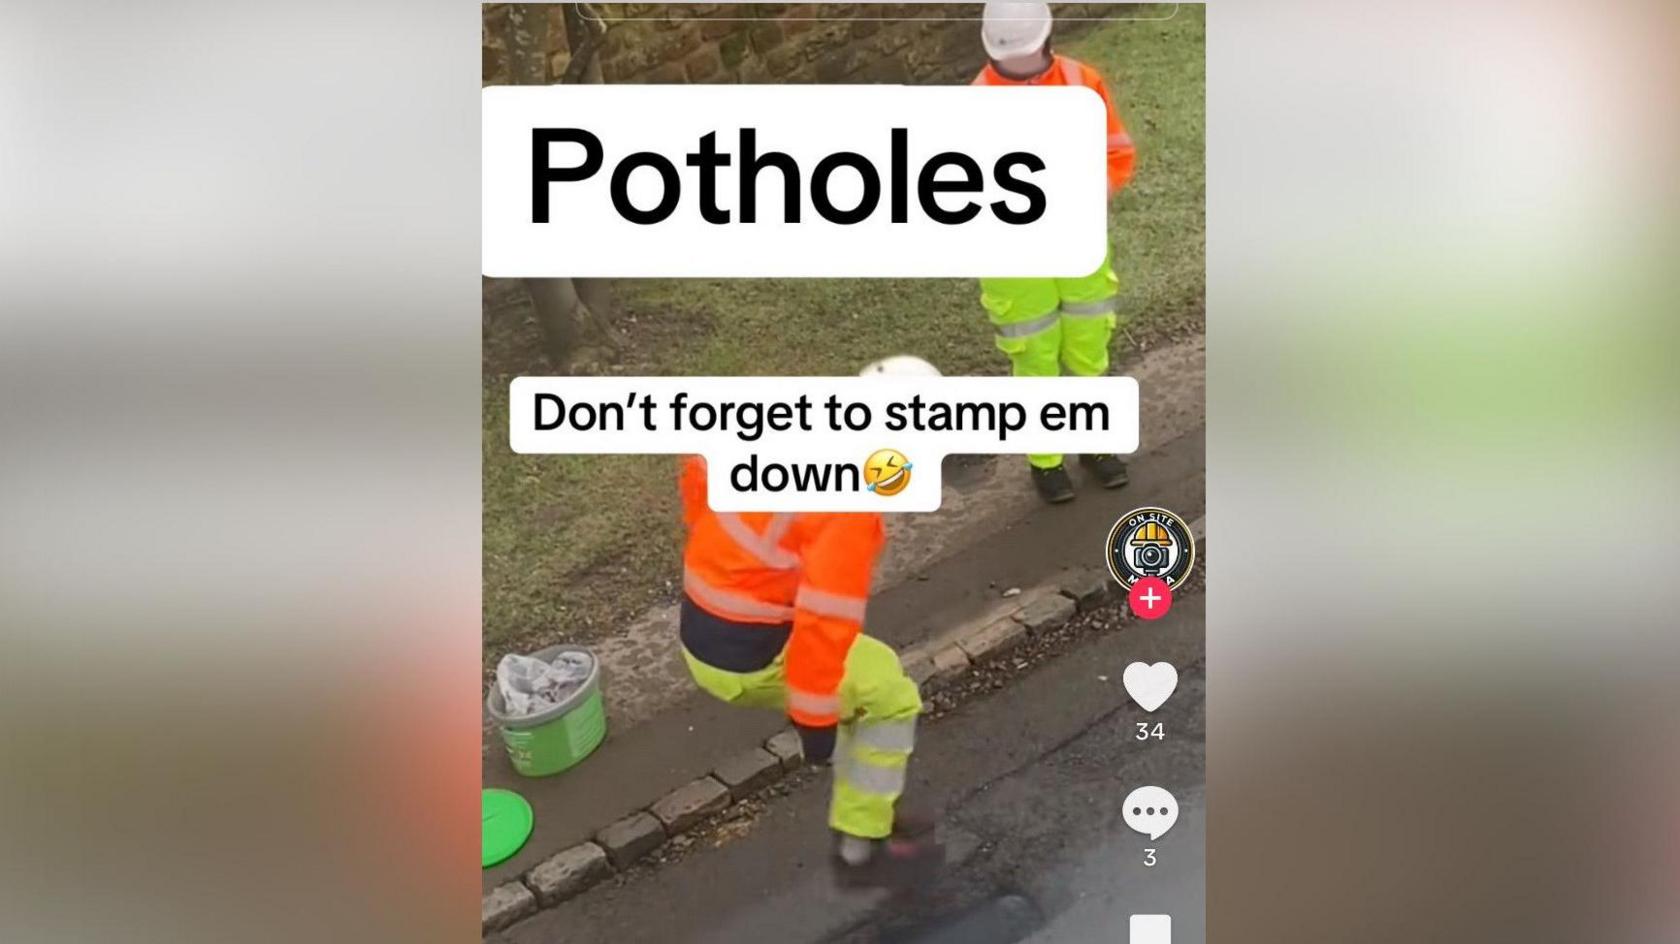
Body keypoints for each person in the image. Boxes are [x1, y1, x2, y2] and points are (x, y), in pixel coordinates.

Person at [676, 357, 942, 888]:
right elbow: (826, 624)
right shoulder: (848, 508)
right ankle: (863, 844)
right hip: (750, 655)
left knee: (872, 670)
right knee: (890, 698)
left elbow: (699, 466)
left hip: (701, 622)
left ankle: (867, 810)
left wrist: (740, 557)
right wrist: (814, 725)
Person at [974, 1, 1137, 504]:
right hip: (1013, 256)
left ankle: (1095, 443)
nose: (1019, 67)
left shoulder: (1081, 81)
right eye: (1010, 60)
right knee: (1034, 355)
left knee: (1088, 343)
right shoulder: (975, 104)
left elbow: (1116, 151)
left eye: (1025, 57)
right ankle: (1045, 461)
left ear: (1047, 40)